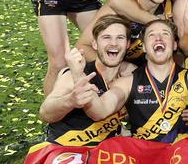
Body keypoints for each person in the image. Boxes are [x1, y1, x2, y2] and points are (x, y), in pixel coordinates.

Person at [81, 19, 188, 142]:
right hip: (145, 155)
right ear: (143, 47)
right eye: (152, 35)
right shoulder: (127, 82)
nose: (158, 38)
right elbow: (100, 110)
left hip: (182, 153)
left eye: (165, 34)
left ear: (174, 45)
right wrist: (78, 78)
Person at [39, 15, 137, 146]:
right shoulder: (75, 73)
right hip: (67, 149)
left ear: (128, 44)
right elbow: (45, 113)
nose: (113, 43)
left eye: (120, 38)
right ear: (95, 44)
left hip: (105, 151)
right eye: (106, 37)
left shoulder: (131, 73)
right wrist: (70, 100)